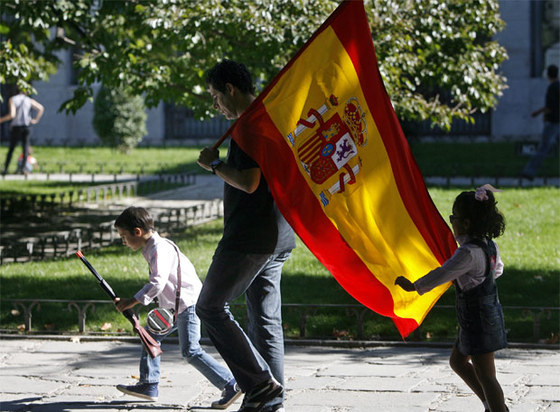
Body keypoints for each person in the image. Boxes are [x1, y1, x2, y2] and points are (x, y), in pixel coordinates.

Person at [196, 59, 295, 412]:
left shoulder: (249, 126)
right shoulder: (268, 119)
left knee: (208, 306)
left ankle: (260, 385)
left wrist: (215, 165)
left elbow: (250, 183)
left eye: (215, 96)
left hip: (250, 237)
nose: (215, 105)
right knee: (266, 323)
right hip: (279, 234)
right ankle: (271, 398)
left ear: (230, 89)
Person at [113, 206, 241, 409]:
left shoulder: (158, 248)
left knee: (191, 351)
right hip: (172, 307)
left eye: (124, 236)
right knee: (150, 338)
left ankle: (230, 384)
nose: (123, 241)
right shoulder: (153, 247)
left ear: (137, 232)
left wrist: (131, 301)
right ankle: (148, 384)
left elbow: (157, 283)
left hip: (188, 304)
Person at [395, 184, 508, 412]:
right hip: (484, 316)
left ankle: (499, 410)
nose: (451, 222)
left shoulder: (467, 253)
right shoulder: (489, 246)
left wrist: (415, 286)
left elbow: (444, 273)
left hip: (478, 321)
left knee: (487, 376)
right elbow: (497, 271)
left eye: (453, 217)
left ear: (465, 224)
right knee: (458, 362)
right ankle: (489, 405)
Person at [521, 64, 559, 180]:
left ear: (548, 75)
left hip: (552, 122)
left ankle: (529, 171)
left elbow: (550, 106)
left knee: (543, 148)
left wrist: (537, 113)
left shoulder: (552, 88)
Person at [0, 87, 44, 175]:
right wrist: (35, 120)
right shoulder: (29, 100)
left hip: (16, 126)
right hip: (27, 126)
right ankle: (23, 169)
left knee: (11, 148)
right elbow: (41, 108)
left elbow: (12, 115)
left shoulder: (13, 99)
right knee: (25, 147)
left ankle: (6, 168)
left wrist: (1, 119)